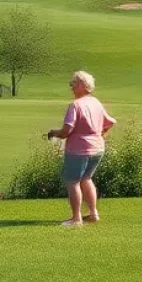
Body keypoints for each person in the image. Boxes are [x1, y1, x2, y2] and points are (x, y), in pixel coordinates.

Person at [45, 70, 116, 227]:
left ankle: (76, 218)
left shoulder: (75, 105)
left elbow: (66, 131)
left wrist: (53, 133)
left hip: (78, 150)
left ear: (83, 86)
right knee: (86, 179)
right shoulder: (96, 102)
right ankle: (93, 213)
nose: (71, 87)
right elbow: (110, 122)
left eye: (74, 84)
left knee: (73, 181)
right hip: (97, 148)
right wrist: (99, 133)